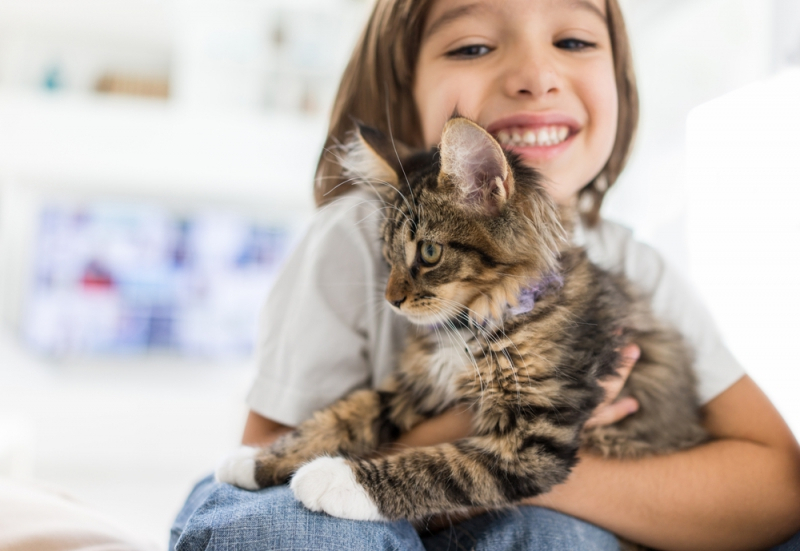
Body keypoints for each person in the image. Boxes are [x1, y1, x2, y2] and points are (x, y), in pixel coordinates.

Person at [170, 0, 800, 549]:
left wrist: (539, 472)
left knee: (546, 538)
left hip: (565, 490)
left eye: (574, 40)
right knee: (275, 526)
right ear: (403, 89)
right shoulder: (360, 231)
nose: (534, 77)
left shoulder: (635, 267)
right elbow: (273, 467)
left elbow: (777, 486)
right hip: (372, 499)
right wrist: (481, 453)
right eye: (472, 46)